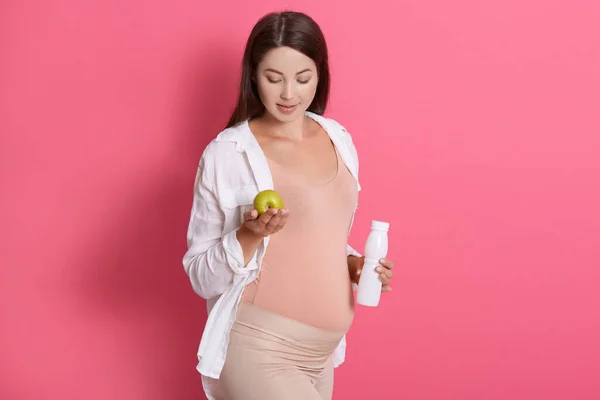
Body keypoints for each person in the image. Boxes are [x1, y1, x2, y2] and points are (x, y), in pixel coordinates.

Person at [182, 10, 395, 400]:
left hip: (322, 356)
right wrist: (248, 233)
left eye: (303, 78)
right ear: (253, 76)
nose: (288, 94)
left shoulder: (338, 137)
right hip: (259, 349)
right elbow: (200, 276)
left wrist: (355, 266)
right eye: (273, 78)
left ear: (320, 74)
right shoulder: (227, 154)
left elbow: (319, 240)